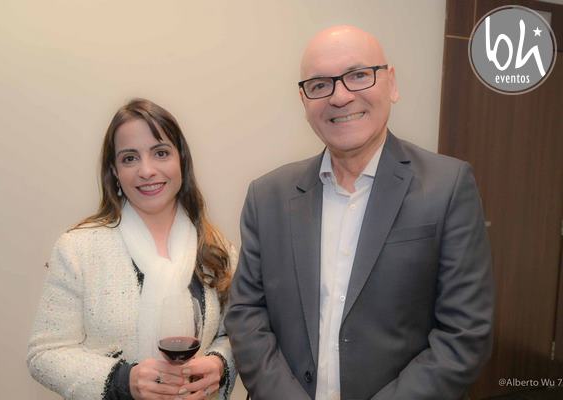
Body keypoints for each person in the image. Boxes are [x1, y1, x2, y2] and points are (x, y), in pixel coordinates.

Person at [225, 25, 494, 400]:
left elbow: (464, 335)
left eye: (358, 75)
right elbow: (246, 314)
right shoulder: (267, 196)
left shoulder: (448, 187)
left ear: (391, 84)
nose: (340, 96)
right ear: (304, 100)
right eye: (320, 84)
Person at [27, 99, 236, 400]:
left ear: (181, 160)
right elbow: (45, 353)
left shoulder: (217, 248)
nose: (146, 170)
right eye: (129, 158)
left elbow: (235, 335)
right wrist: (123, 381)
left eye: (160, 153)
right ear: (114, 171)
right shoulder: (77, 249)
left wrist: (220, 364)